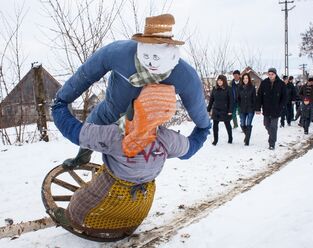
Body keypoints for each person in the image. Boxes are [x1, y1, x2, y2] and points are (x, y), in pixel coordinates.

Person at [50, 84, 210, 237]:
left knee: (80, 203)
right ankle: (124, 223)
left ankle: (75, 219)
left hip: (111, 192)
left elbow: (75, 132)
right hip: (139, 205)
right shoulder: (166, 138)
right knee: (132, 206)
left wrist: (59, 107)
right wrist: (203, 129)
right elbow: (189, 149)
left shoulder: (116, 136)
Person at [54, 14, 210, 169]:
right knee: (90, 129)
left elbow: (197, 107)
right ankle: (82, 158)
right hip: (110, 109)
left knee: (136, 156)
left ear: (170, 51)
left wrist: (203, 129)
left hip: (145, 125)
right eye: (147, 55)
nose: (150, 62)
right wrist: (63, 98)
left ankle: (126, 174)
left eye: (156, 57)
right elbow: (86, 75)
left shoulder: (186, 76)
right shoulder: (118, 53)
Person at [255, 68, 287, 150]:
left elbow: (284, 97)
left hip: (276, 109)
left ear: (275, 74)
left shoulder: (281, 84)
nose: (270, 76)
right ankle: (273, 135)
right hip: (266, 109)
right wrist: (258, 108)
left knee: (273, 126)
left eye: (272, 74)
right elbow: (259, 96)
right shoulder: (264, 83)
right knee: (266, 125)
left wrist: (281, 107)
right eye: (269, 74)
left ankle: (272, 143)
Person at [207, 75, 233, 145]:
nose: (219, 82)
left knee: (227, 124)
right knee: (215, 125)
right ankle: (215, 140)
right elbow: (211, 100)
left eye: (221, 80)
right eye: (218, 80)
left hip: (225, 110)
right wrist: (208, 109)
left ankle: (230, 138)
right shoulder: (214, 89)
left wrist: (230, 110)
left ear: (224, 81)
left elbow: (231, 101)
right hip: (216, 110)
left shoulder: (229, 89)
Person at [237, 73, 256, 146]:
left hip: (250, 109)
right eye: (244, 78)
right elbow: (238, 98)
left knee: (248, 124)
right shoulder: (240, 87)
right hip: (242, 109)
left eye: (247, 78)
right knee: (242, 124)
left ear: (249, 79)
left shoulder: (252, 88)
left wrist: (255, 108)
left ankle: (247, 141)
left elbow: (254, 98)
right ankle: (247, 136)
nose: (245, 80)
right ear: (242, 79)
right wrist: (239, 105)